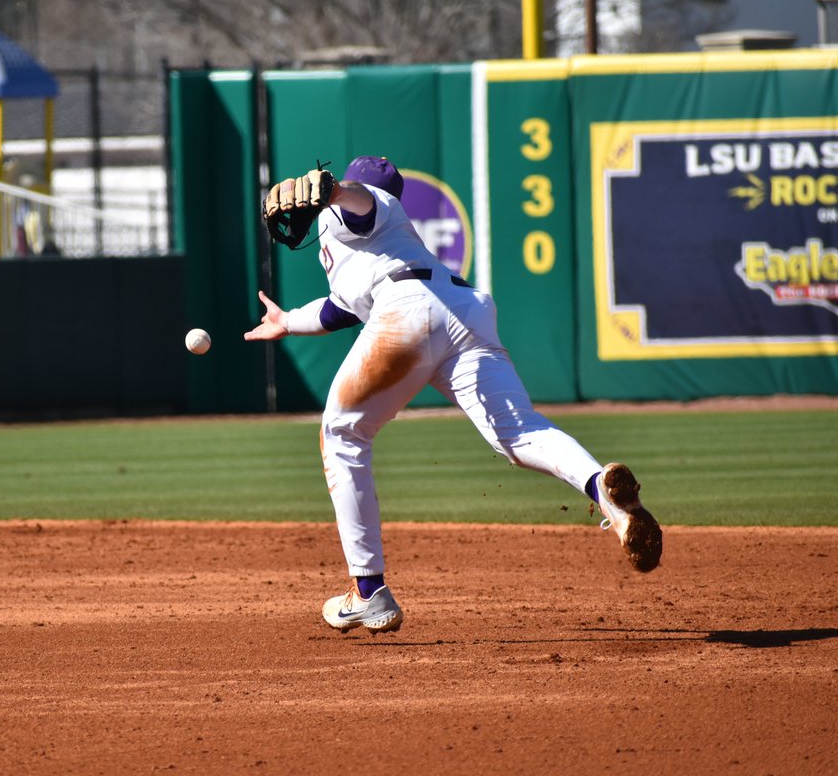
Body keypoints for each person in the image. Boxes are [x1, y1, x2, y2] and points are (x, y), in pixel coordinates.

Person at [245, 156, 663, 636]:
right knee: (518, 432)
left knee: (342, 434)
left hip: (408, 312)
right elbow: (339, 310)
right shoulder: (375, 248)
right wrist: (287, 321)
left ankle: (368, 592)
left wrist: (336, 189)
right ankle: (602, 488)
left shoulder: (366, 205)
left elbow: (362, 202)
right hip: (463, 312)